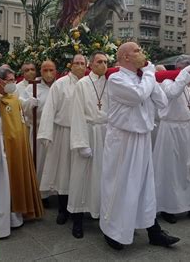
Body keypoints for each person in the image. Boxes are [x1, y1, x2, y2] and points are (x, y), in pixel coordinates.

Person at [100, 42, 179, 250]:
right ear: (125, 57)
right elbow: (137, 96)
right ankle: (113, 230)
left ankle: (153, 231)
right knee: (120, 185)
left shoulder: (143, 78)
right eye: (137, 50)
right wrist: (150, 75)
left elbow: (162, 102)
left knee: (145, 186)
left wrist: (149, 77)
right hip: (123, 140)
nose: (142, 53)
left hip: (142, 137)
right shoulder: (116, 78)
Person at [0, 67, 43, 238]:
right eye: (9, 80)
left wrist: (29, 104)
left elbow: (20, 112)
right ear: (0, 82)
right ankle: (2, 223)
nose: (12, 83)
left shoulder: (13, 97)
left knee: (15, 179)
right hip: (0, 148)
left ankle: (17, 217)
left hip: (16, 145)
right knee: (3, 184)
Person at [153, 55, 190, 225]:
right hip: (171, 129)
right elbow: (171, 93)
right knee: (170, 169)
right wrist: (185, 75)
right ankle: (167, 208)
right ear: (183, 69)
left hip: (188, 128)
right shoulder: (167, 81)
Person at [38, 54, 87, 224]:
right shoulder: (60, 84)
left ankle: (79, 209)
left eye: (83, 63)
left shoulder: (89, 84)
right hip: (64, 132)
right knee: (64, 172)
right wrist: (46, 134)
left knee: (79, 172)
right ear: (71, 65)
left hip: (83, 133)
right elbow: (49, 109)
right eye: (77, 63)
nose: (80, 66)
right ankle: (63, 209)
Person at [68, 51, 109, 239]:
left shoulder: (110, 83)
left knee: (102, 176)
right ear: (90, 65)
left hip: (105, 134)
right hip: (87, 132)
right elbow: (76, 113)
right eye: (99, 61)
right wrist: (81, 143)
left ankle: (100, 214)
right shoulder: (83, 84)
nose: (103, 64)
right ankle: (77, 219)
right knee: (81, 177)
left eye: (106, 62)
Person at [20, 60, 57, 198]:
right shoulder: (32, 88)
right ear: (40, 71)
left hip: (55, 130)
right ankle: (40, 194)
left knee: (54, 161)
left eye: (51, 70)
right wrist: (29, 104)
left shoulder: (59, 85)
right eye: (45, 70)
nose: (48, 74)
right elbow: (22, 105)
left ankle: (55, 191)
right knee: (39, 161)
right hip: (38, 129)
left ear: (55, 71)